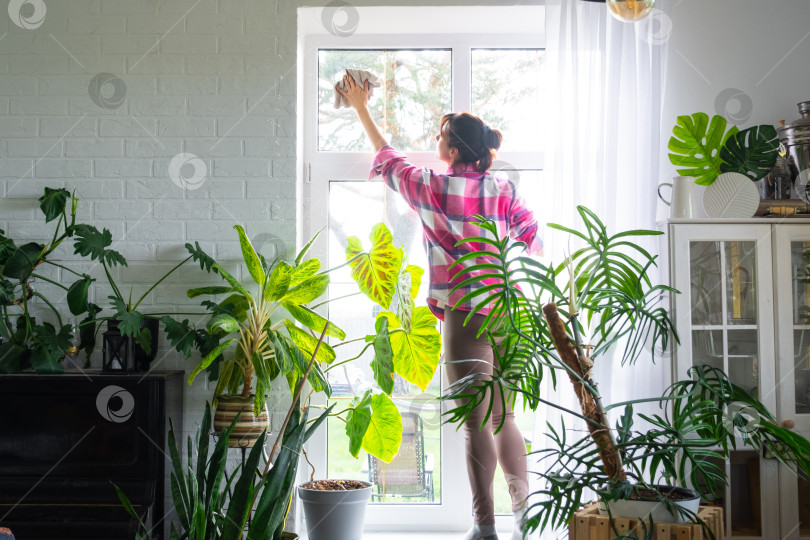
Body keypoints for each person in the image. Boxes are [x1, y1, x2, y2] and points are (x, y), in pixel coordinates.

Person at [337, 72, 542, 540]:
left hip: (465, 313)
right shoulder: (503, 190)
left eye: (439, 137)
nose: (434, 142)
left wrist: (363, 108)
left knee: (474, 425)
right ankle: (526, 517)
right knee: (505, 417)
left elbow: (387, 160)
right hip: (508, 308)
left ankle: (484, 526)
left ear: (451, 151)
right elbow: (533, 238)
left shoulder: (432, 186)